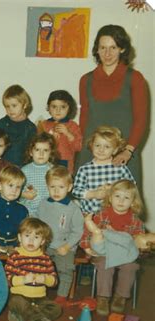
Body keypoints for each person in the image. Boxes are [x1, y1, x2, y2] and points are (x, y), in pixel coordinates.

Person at [77, 25, 148, 185]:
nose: (107, 54)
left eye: (113, 47)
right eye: (103, 48)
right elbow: (84, 117)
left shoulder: (135, 78)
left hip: (124, 154)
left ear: (122, 49)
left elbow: (141, 120)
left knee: (123, 204)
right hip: (92, 152)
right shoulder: (86, 80)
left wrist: (128, 151)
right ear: (97, 49)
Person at [81, 179, 145, 316]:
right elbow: (87, 231)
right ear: (110, 198)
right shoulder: (101, 215)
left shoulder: (136, 221)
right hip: (104, 253)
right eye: (117, 196)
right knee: (105, 264)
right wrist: (86, 247)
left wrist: (138, 249)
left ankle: (120, 297)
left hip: (125, 255)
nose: (121, 201)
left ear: (133, 201)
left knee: (131, 267)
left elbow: (139, 242)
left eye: (126, 197)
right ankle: (103, 298)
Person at [4, 218, 62, 321]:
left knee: (57, 309)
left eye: (36, 237)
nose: (31, 240)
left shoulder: (45, 259)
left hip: (40, 299)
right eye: (27, 236)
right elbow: (6, 279)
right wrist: (23, 280)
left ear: (42, 241)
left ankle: (21, 318)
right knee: (15, 303)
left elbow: (55, 281)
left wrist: (46, 279)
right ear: (20, 238)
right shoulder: (14, 256)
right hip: (19, 296)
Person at [36, 166, 84, 305]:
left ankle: (62, 296)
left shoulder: (73, 208)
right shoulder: (43, 204)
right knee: (36, 264)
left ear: (69, 187)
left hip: (64, 246)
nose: (56, 191)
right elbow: (37, 223)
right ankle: (37, 292)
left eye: (61, 187)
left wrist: (67, 246)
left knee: (65, 269)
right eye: (52, 187)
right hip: (44, 245)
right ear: (47, 187)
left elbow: (78, 231)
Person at [73, 126, 135, 215]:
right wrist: (93, 194)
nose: (101, 150)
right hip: (90, 215)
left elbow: (131, 186)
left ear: (115, 150)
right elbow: (76, 191)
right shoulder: (84, 169)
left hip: (115, 214)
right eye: (97, 145)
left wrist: (113, 187)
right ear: (91, 146)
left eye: (107, 146)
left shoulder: (120, 168)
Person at [0, 165, 28, 253]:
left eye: (18, 187)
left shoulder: (23, 210)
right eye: (10, 185)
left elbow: (24, 232)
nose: (14, 190)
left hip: (15, 250)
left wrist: (18, 247)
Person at [38, 90, 82, 173]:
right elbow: (37, 144)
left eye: (63, 107)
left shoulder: (73, 125)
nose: (58, 110)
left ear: (69, 108)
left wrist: (68, 134)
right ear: (49, 108)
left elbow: (78, 147)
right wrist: (50, 138)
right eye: (54, 107)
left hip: (65, 161)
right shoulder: (44, 125)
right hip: (47, 160)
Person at [0, 85, 37, 167]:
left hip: (22, 168)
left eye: (14, 105)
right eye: (7, 106)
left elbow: (33, 151)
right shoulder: (2, 124)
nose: (10, 109)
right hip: (3, 167)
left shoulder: (30, 128)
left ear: (24, 105)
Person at [20, 133, 58, 216]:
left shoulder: (54, 170)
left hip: (49, 211)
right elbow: (16, 191)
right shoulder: (24, 171)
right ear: (31, 152)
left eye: (45, 150)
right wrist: (24, 194)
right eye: (37, 150)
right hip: (29, 212)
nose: (41, 154)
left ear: (51, 152)